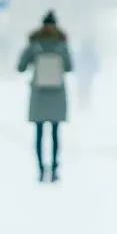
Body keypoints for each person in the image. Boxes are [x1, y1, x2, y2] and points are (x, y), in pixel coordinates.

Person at [17, 10, 72, 183]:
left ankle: (41, 169)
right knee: (55, 133)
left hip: (39, 94)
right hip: (56, 94)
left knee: (39, 133)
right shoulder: (61, 44)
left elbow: (20, 67)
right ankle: (54, 169)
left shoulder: (34, 44)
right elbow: (70, 67)